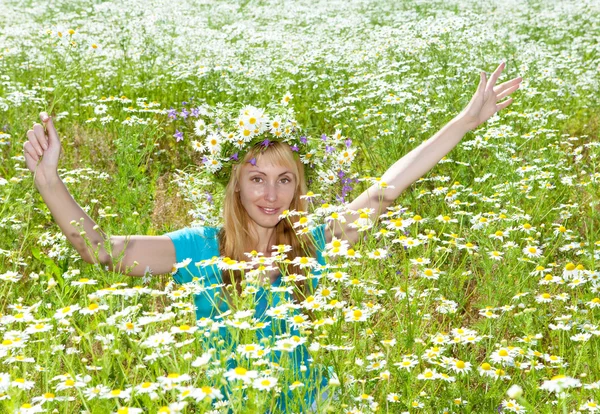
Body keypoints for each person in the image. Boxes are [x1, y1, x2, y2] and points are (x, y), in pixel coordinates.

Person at [23, 62, 522, 412]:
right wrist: (48, 180)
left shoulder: (313, 243)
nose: (271, 194)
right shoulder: (198, 248)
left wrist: (466, 120)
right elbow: (102, 250)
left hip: (315, 405)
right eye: (257, 177)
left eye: (285, 180)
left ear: (298, 186)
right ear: (235, 182)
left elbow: (384, 192)